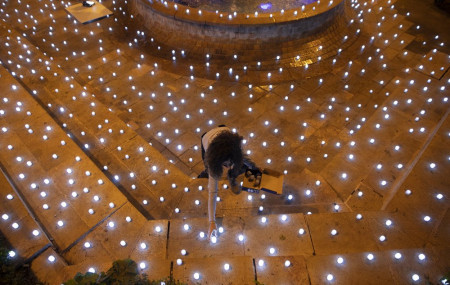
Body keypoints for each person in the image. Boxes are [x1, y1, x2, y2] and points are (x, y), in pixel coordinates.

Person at [198, 125, 259, 240]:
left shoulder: (233, 147)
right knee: (209, 171)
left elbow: (244, 158)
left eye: (230, 163)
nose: (228, 166)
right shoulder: (212, 159)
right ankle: (206, 173)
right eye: (225, 165)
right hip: (207, 139)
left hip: (224, 132)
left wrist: (255, 168)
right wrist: (212, 222)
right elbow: (213, 192)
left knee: (239, 165)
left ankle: (232, 177)